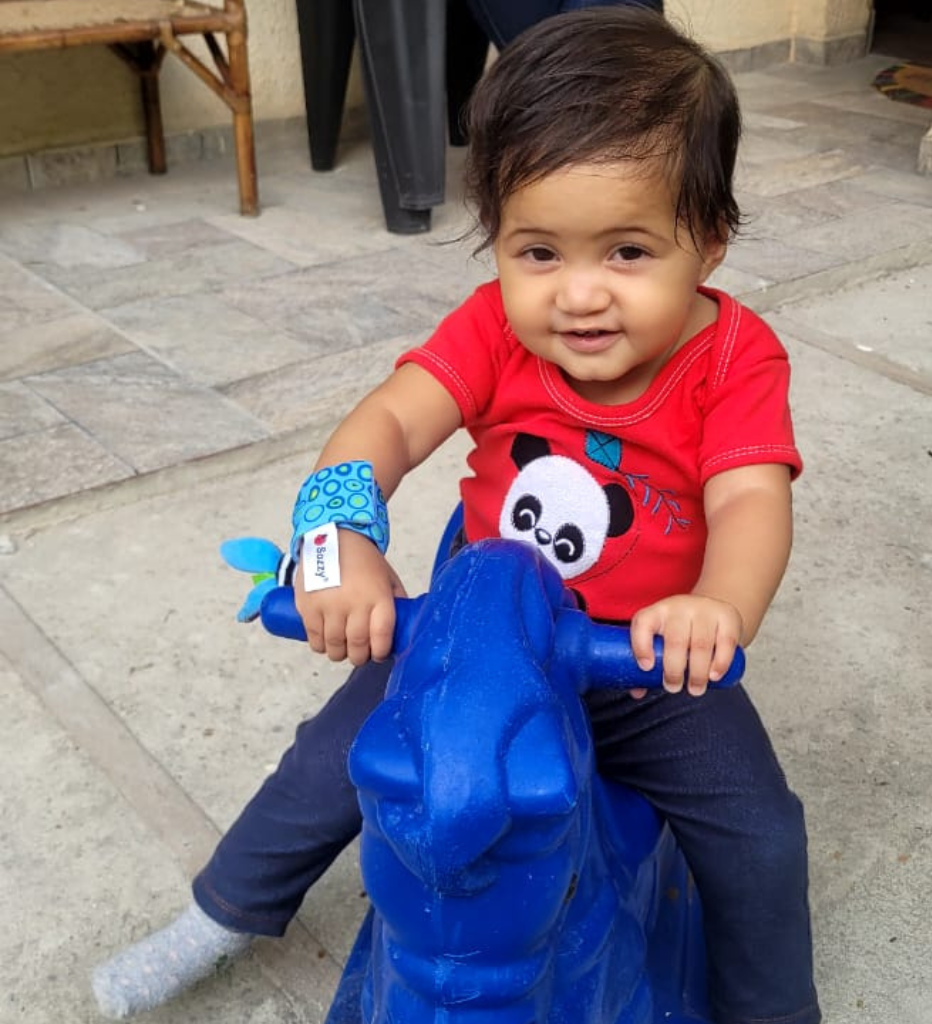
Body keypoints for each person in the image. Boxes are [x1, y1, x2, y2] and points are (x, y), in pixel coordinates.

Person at [92, 8, 820, 1024]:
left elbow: (749, 499)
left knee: (760, 833)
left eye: (625, 251)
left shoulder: (735, 360)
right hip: (475, 648)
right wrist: (336, 542)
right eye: (537, 252)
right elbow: (387, 421)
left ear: (708, 241)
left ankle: (771, 1008)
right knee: (329, 761)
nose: (578, 296)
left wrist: (717, 609)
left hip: (640, 666)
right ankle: (221, 912)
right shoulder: (491, 332)